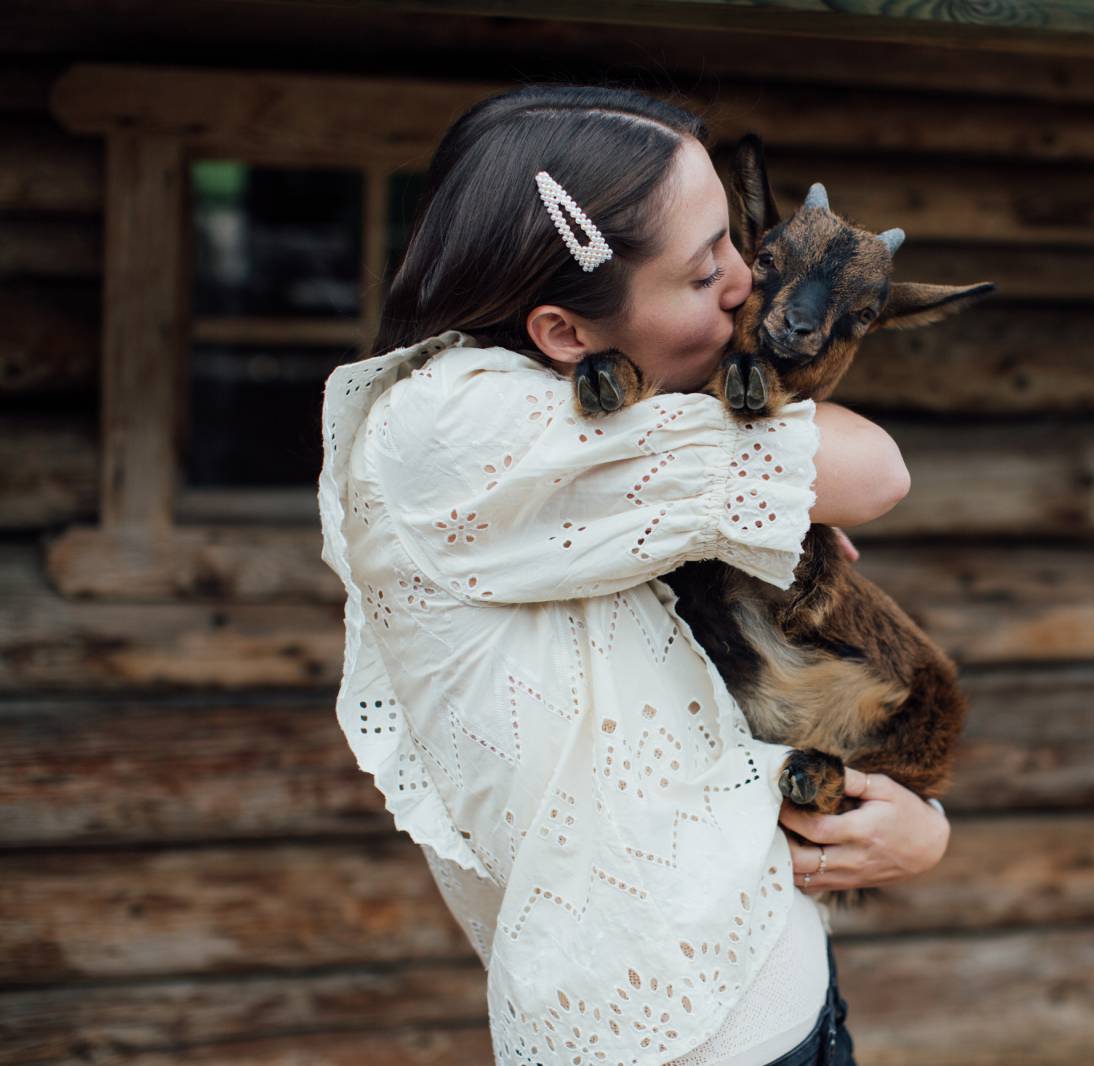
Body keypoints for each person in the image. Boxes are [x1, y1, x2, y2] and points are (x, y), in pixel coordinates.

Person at [315, 83, 951, 1066]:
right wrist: (771, 483)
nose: (747, 287)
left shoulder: (590, 442)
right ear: (563, 329)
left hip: (784, 1003)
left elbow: (668, 752)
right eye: (704, 276)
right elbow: (875, 471)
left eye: (737, 245)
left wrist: (913, 828)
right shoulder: (459, 426)